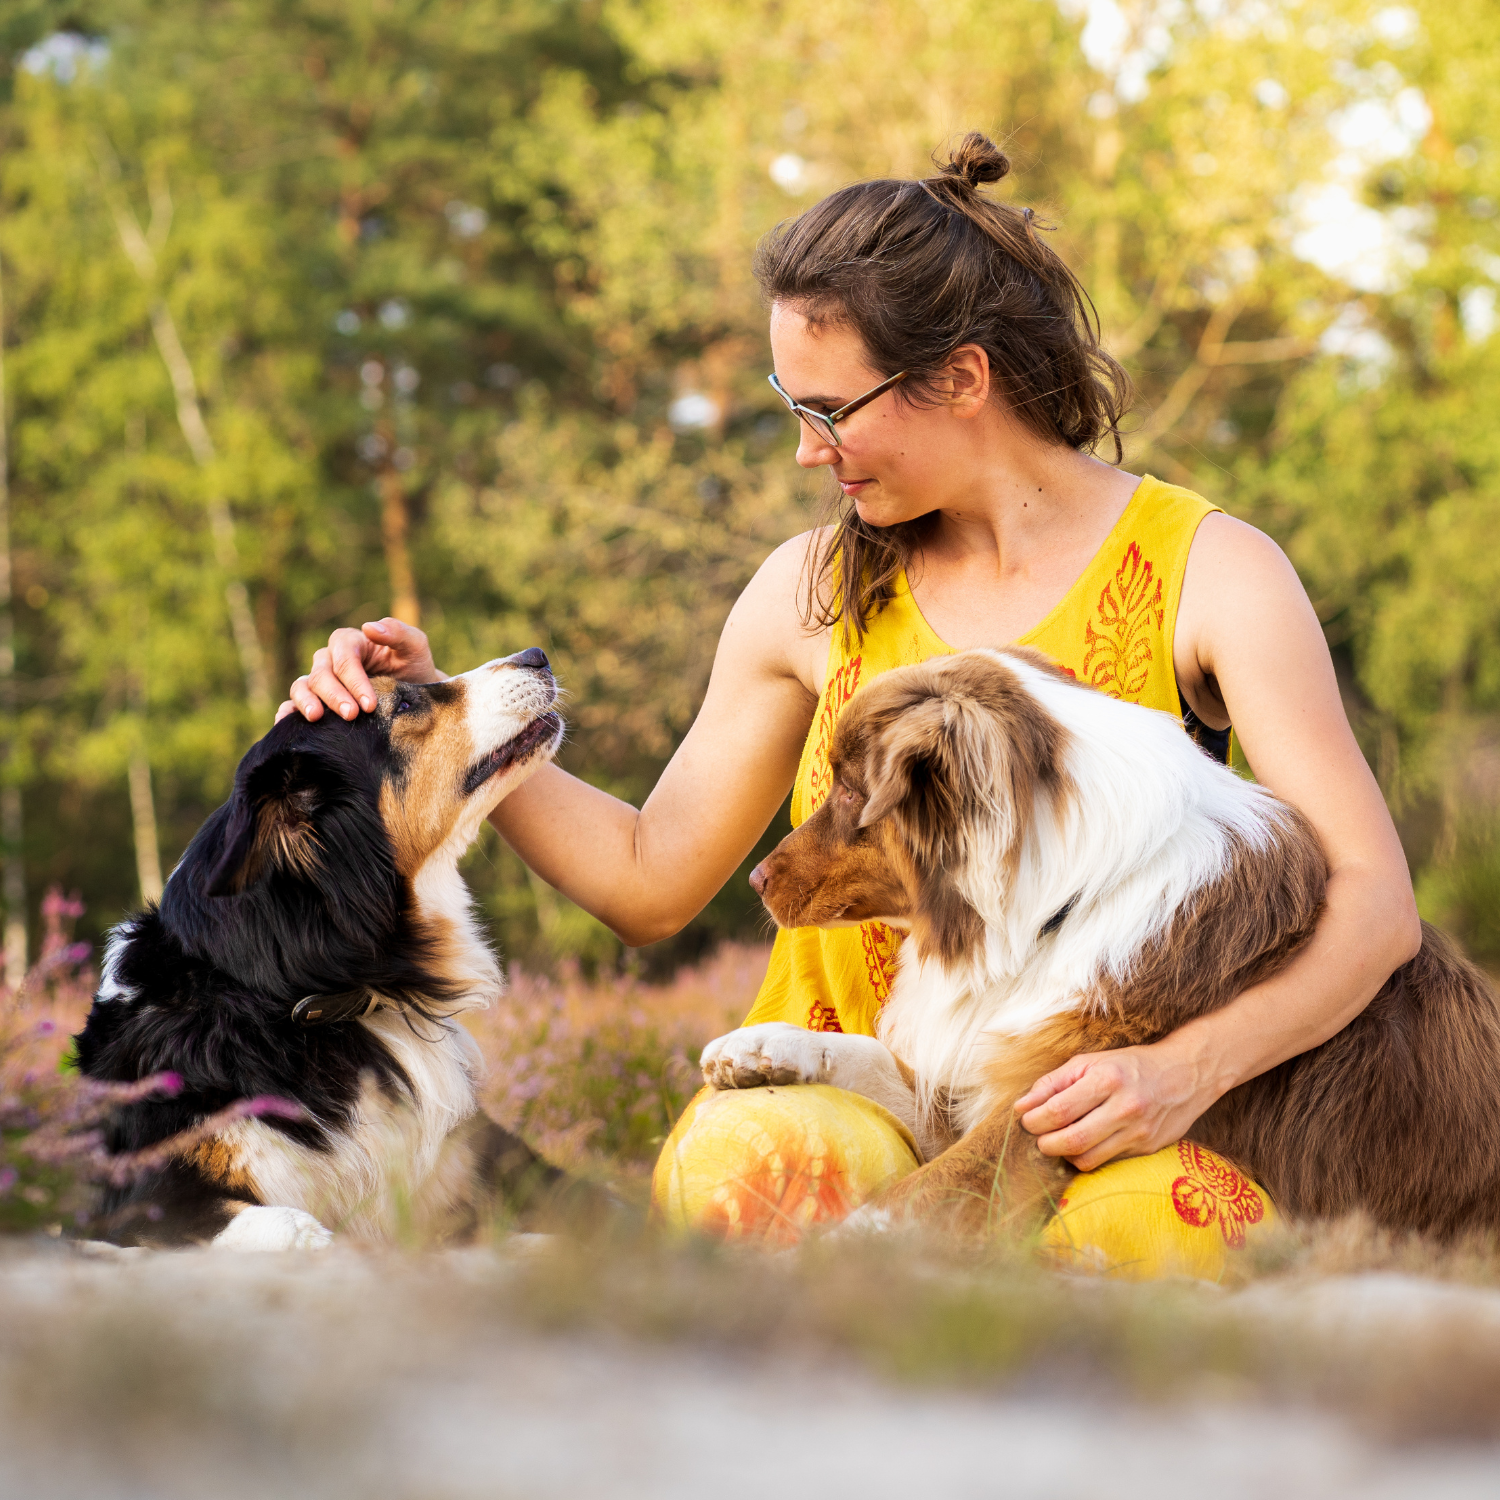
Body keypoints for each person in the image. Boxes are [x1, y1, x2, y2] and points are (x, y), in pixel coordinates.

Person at [280, 133, 1419, 1177]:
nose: (802, 451)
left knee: (1139, 1234)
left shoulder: (1213, 572)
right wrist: (451, 712)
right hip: (840, 1096)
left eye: (828, 410)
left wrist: (1186, 1071)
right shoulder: (806, 592)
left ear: (963, 379)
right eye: (791, 403)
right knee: (748, 1178)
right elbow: (644, 882)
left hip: (1093, 1112)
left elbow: (1374, 904)